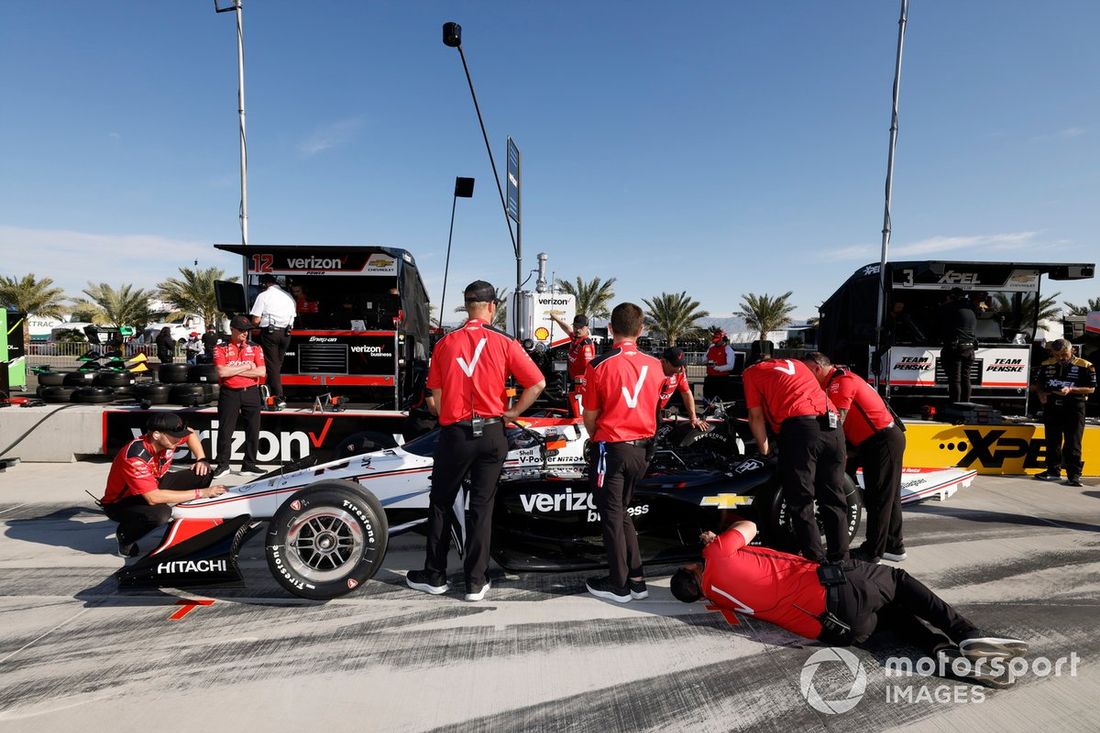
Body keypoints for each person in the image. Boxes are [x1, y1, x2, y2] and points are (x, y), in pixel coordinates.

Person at [670, 522, 1029, 688]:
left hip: (840, 630)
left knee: (896, 618)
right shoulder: (714, 555)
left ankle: (944, 656)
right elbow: (749, 525)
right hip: (837, 590)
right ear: (692, 569)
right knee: (897, 582)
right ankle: (965, 634)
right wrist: (715, 538)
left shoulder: (717, 600)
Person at [406, 281, 546, 602]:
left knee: (441, 502)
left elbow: (433, 397)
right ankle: (475, 582)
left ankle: (436, 575)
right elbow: (537, 383)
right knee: (482, 507)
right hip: (493, 431)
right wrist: (511, 414)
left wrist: (448, 417)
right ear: (492, 306)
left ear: (466, 305)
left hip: (455, 435)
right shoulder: (505, 341)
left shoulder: (445, 343)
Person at [582, 302, 664, 603]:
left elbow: (589, 415)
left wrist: (596, 437)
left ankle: (619, 585)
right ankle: (638, 580)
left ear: (610, 329)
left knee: (612, 516)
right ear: (640, 330)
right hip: (641, 452)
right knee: (620, 512)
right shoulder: (656, 366)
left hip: (612, 449)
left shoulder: (600, 365)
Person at [742, 355, 848, 562]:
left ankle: (816, 562)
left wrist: (765, 453)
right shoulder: (797, 364)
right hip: (833, 425)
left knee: (801, 500)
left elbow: (756, 417)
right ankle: (842, 561)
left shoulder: (751, 373)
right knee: (834, 499)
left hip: (801, 429)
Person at [802, 352, 906, 563]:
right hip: (874, 440)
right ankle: (894, 546)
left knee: (880, 498)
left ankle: (872, 552)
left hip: (881, 439)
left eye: (806, 372)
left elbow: (836, 423)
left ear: (815, 369)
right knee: (888, 496)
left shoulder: (839, 382)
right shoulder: (836, 379)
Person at [99, 412, 227, 556]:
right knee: (161, 513)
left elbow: (190, 433)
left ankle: (193, 519)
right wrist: (202, 493)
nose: (179, 439)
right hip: (122, 503)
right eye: (175, 435)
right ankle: (125, 537)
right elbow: (153, 498)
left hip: (154, 482)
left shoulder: (169, 438)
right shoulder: (135, 457)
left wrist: (201, 459)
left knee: (204, 472)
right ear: (156, 435)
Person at [1031, 338, 1096, 486]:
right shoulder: (1046, 364)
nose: (1061, 358)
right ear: (1052, 353)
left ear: (1072, 350)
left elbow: (1091, 388)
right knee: (1052, 439)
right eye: (1057, 355)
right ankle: (1053, 471)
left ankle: (1074, 475)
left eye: (1064, 354)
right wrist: (1041, 393)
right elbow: (1038, 384)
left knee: (1072, 441)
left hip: (1075, 406)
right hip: (1052, 406)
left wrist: (1071, 389)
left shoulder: (1085, 365)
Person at [211, 315, 267, 479]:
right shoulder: (220, 348)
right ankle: (223, 465)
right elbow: (222, 372)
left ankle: (249, 465)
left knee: (253, 430)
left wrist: (234, 370)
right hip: (229, 393)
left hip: (251, 392)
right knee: (225, 430)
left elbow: (261, 372)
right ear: (232, 330)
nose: (245, 333)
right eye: (242, 330)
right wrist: (247, 366)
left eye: (248, 330)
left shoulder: (256, 347)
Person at [250, 273, 296, 410]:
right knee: (276, 366)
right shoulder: (289, 296)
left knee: (273, 366)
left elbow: (256, 320)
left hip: (271, 333)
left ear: (264, 284)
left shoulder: (264, 296)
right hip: (286, 334)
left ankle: (279, 397)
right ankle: (268, 394)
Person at [550, 312, 596, 417]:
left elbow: (588, 368)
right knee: (571, 411)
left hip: (580, 385)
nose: (577, 329)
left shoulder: (586, 345)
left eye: (581, 327)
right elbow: (566, 328)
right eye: (575, 326)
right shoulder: (575, 338)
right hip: (573, 383)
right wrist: (557, 319)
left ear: (586, 328)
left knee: (577, 414)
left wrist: (581, 386)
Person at [938, 288, 978, 404]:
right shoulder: (972, 309)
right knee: (966, 378)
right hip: (970, 348)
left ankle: (955, 406)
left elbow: (938, 325)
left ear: (950, 297)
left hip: (956, 349)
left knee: (955, 379)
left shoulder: (948, 308)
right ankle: (966, 405)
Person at [657, 346, 706, 429]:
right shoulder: (653, 370)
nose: (678, 368)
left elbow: (686, 393)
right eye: (675, 365)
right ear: (664, 361)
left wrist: (693, 418)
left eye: (681, 364)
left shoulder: (680, 372)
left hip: (656, 410)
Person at [703, 330, 736, 401]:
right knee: (708, 399)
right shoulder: (711, 347)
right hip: (710, 378)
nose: (716, 342)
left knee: (722, 400)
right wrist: (707, 362)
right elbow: (704, 359)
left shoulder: (728, 349)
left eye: (717, 339)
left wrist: (717, 368)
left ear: (722, 339)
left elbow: (730, 366)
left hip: (722, 379)